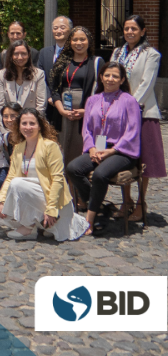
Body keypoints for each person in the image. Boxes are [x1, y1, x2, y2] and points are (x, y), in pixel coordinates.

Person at [0, 108, 88, 241]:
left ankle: (30, 226)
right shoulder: (18, 148)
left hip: (54, 202)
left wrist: (52, 209)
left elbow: (58, 179)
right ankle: (31, 225)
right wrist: (0, 200)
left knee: (17, 184)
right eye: (24, 123)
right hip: (33, 196)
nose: (28, 127)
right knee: (11, 190)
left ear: (40, 126)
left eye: (32, 123)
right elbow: (10, 177)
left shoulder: (51, 146)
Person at [69, 63, 144, 234]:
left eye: (115, 76)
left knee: (100, 174)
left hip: (122, 152)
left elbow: (132, 131)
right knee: (73, 168)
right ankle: (99, 206)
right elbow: (86, 129)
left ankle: (90, 218)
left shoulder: (128, 100)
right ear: (101, 77)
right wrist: (92, 148)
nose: (110, 79)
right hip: (97, 148)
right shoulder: (92, 100)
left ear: (122, 79)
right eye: (107, 75)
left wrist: (112, 150)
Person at [109, 17, 164, 222]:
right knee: (123, 158)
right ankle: (126, 201)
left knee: (144, 161)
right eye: (126, 28)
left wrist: (128, 107)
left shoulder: (151, 54)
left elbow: (146, 84)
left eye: (134, 28)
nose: (130, 32)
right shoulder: (117, 53)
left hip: (143, 113)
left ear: (143, 31)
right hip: (119, 114)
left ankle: (141, 203)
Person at [50, 26, 103, 169]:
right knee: (60, 153)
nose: (79, 43)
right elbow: (54, 90)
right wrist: (61, 110)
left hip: (85, 115)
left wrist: (85, 111)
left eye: (82, 39)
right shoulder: (62, 62)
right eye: (75, 39)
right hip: (62, 114)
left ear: (89, 41)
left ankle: (78, 189)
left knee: (77, 151)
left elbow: (102, 92)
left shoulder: (96, 62)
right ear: (70, 42)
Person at [0, 39, 46, 121]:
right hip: (9, 124)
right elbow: (0, 105)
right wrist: (5, 128)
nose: (20, 57)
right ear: (11, 55)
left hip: (30, 124)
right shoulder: (2, 75)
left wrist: (33, 124)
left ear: (29, 55)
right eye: (16, 54)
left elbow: (41, 105)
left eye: (23, 54)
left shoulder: (39, 74)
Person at [37, 16, 73, 123]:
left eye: (62, 27)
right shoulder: (44, 53)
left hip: (69, 104)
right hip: (49, 105)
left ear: (70, 30)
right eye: (55, 28)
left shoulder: (76, 53)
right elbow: (41, 79)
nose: (58, 31)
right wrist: (49, 97)